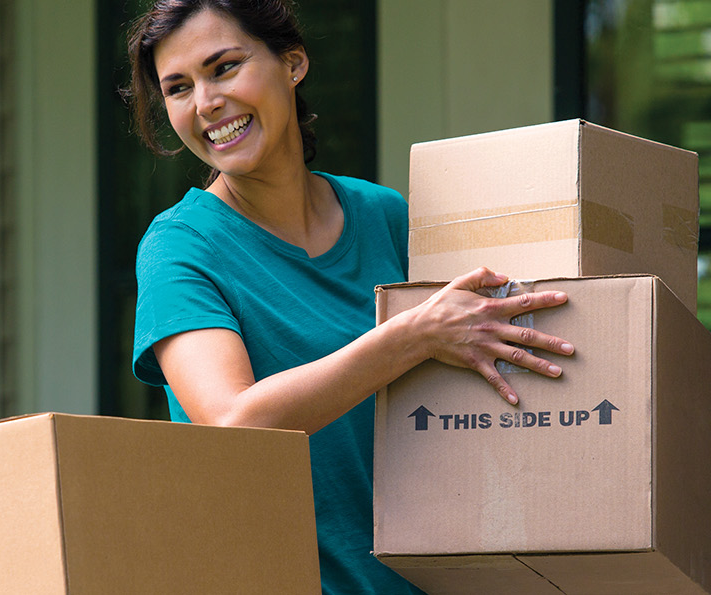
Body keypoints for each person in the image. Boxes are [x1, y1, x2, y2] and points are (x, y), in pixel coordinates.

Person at [124, 2, 575, 593]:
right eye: (178, 88)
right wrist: (412, 336)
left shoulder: (384, 216)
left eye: (225, 68)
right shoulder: (180, 249)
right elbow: (234, 424)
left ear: (293, 63)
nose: (205, 102)